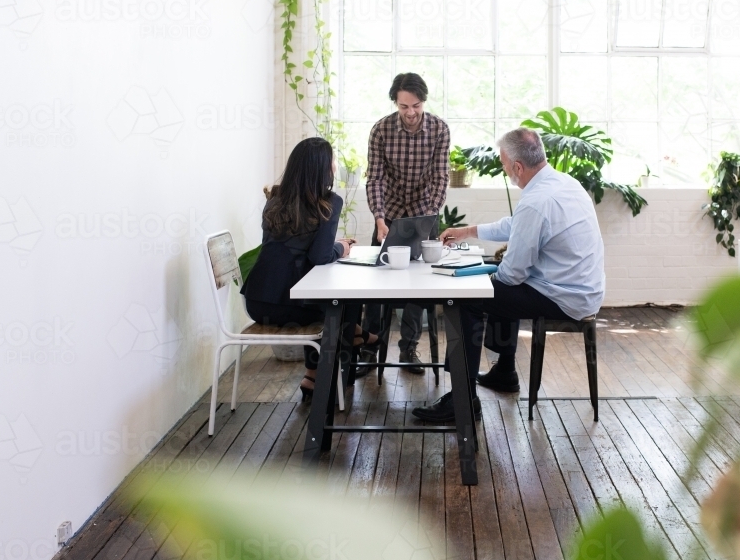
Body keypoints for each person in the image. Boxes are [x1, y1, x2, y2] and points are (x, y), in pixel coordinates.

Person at [411, 128, 605, 423]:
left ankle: (462, 398)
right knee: (497, 286)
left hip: (564, 297)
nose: (504, 170)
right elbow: (518, 225)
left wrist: (479, 275)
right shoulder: (563, 183)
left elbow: (512, 274)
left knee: (469, 297)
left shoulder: (536, 200)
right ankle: (504, 371)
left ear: (517, 166)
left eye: (503, 165)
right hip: (583, 289)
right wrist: (468, 232)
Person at [241, 137, 378, 401]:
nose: (335, 166)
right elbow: (320, 256)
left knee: (328, 303)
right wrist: (342, 248)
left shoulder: (275, 198)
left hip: (256, 302)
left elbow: (286, 247)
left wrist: (332, 246)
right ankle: (336, 359)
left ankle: (323, 367)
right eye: (333, 162)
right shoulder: (329, 201)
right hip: (292, 305)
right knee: (341, 305)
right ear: (324, 169)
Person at [359, 72, 450, 376]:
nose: (411, 113)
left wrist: (427, 219)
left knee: (419, 285)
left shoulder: (439, 130)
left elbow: (440, 178)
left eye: (416, 105)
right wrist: (379, 217)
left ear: (424, 101)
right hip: (389, 213)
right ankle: (369, 348)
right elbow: (375, 177)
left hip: (424, 212)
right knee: (376, 284)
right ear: (395, 104)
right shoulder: (381, 130)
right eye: (404, 107)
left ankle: (408, 348)